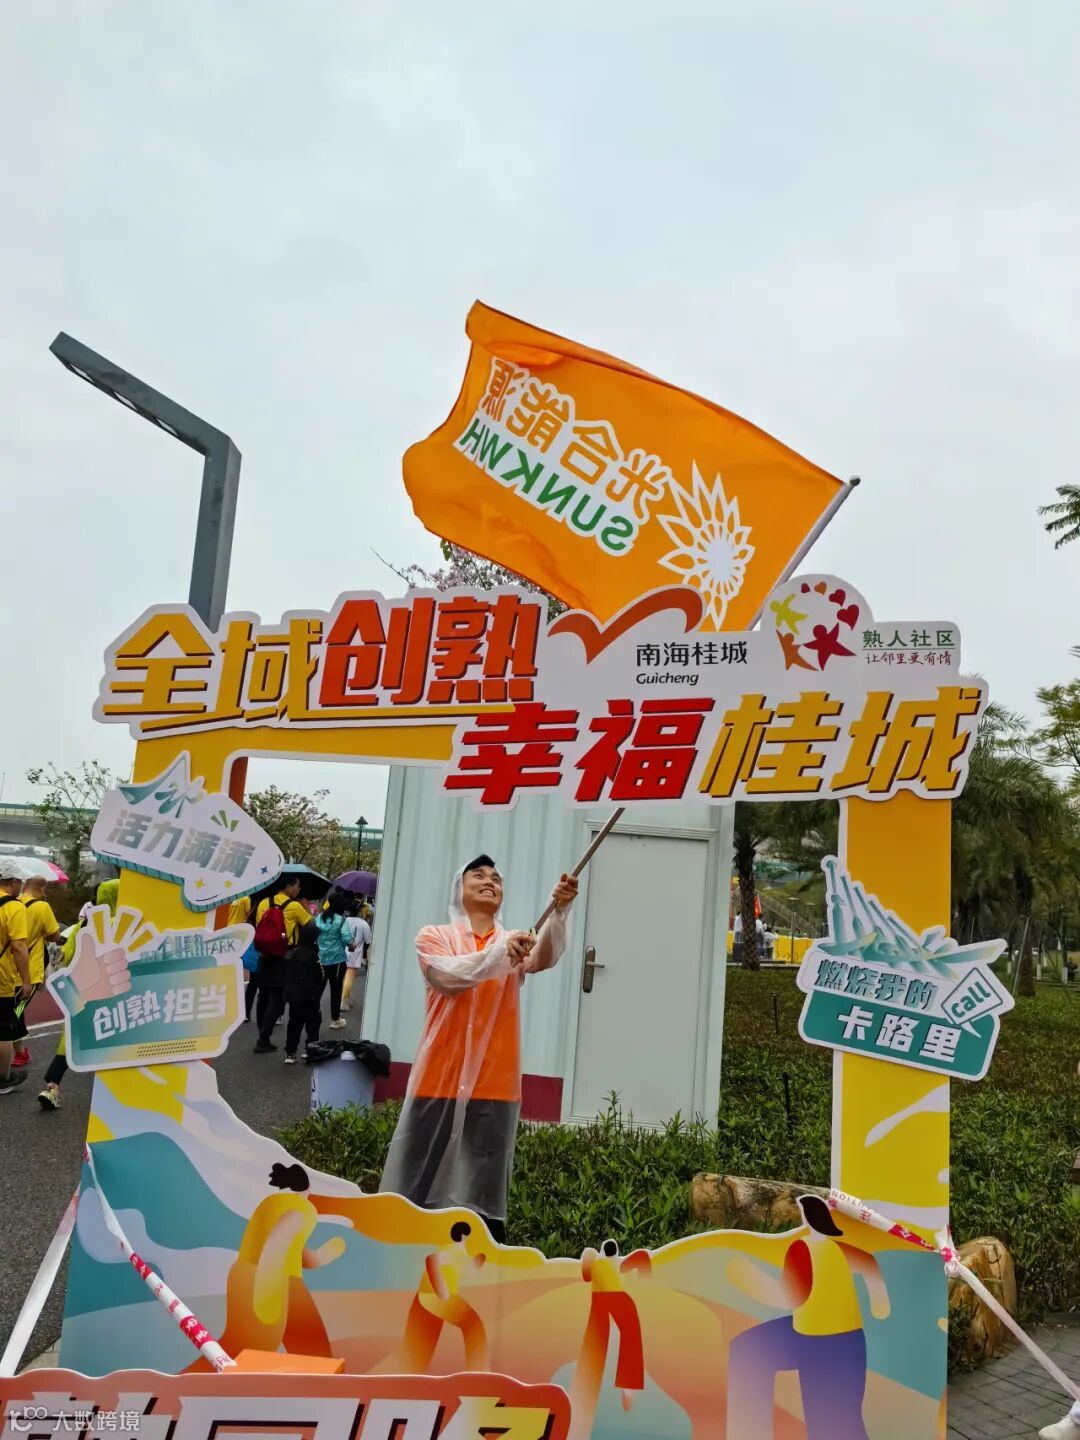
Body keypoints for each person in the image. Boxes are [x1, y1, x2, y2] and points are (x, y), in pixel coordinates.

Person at [380, 854, 578, 1242]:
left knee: (484, 1199)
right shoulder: (434, 937)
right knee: (415, 1187)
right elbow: (449, 976)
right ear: (459, 889)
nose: (490, 881)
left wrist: (559, 911)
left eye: (496, 878)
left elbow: (546, 955)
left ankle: (480, 1269)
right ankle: (404, 1259)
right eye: (478, 875)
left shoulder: (516, 942)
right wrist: (503, 954)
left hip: (494, 1084)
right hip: (438, 1078)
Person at [726, 1194, 889, 1440]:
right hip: (847, 1341)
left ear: (806, 1219)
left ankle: (750, 1431)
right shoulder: (838, 1248)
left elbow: (786, 1297)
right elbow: (870, 1264)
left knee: (830, 1423)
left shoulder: (803, 1248)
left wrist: (746, 1279)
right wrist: (880, 1304)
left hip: (818, 1343)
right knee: (746, 1349)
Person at [38, 878, 120, 1110]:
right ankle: (115, 1097)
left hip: (81, 989)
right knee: (116, 1037)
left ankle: (51, 1086)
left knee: (71, 1038)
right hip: (114, 991)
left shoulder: (85, 924)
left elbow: (67, 954)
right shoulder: (121, 922)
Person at [252, 876, 310, 1054]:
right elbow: (311, 927)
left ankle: (262, 1032)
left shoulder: (264, 902)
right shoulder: (294, 906)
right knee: (277, 999)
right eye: (297, 886)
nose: (298, 890)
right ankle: (263, 1038)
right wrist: (306, 909)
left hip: (264, 955)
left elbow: (258, 925)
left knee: (263, 995)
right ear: (289, 886)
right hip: (285, 957)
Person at [13, 874, 63, 1069]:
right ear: (43, 889)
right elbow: (55, 936)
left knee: (12, 1012)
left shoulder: (11, 903)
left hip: (7, 970)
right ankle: (17, 1053)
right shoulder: (42, 907)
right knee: (15, 1012)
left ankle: (19, 1051)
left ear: (24, 885)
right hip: (29, 973)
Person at [0, 859, 32, 1095]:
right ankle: (3, 1078)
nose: (21, 886)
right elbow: (19, 947)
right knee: (3, 1030)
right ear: (11, 882)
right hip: (2, 977)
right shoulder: (14, 907)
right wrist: (26, 981)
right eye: (20, 881)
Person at [284, 920, 324, 1064]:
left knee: (294, 1024)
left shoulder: (294, 953)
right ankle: (310, 1049)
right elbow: (319, 975)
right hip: (310, 995)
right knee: (313, 1023)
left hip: (294, 996)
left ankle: (290, 1052)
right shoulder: (313, 954)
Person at [314, 890, 351, 1030]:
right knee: (336, 989)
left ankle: (313, 1014)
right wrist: (352, 944)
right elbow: (347, 938)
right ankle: (335, 1020)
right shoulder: (341, 920)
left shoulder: (319, 917)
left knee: (318, 989)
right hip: (337, 961)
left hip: (320, 959)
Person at [342, 902, 373, 1015]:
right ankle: (343, 1002)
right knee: (349, 978)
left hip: (341, 951)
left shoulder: (344, 921)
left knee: (342, 977)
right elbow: (368, 940)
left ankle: (343, 999)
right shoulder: (363, 924)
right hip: (354, 954)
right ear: (359, 911)